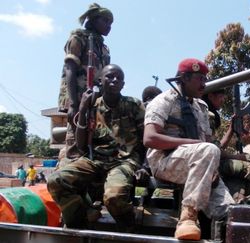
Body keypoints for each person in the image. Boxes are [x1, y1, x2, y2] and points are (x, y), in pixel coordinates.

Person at [143, 58, 234, 240]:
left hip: (199, 163)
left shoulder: (201, 107)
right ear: (184, 78)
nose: (204, 84)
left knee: (231, 213)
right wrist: (195, 145)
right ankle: (188, 218)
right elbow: (150, 138)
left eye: (204, 79)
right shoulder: (163, 101)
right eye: (199, 79)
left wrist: (212, 165)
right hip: (165, 162)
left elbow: (209, 144)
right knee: (208, 150)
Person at [48, 64, 145, 232]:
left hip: (123, 161)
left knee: (114, 197)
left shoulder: (133, 105)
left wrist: (145, 167)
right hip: (95, 159)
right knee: (56, 181)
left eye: (119, 78)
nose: (115, 80)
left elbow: (146, 139)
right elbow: (81, 145)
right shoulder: (92, 105)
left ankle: (129, 228)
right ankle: (83, 218)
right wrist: (83, 108)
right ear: (100, 81)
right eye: (110, 76)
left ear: (123, 84)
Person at [57, 3, 113, 159]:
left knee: (93, 143)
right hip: (79, 98)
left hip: (96, 102)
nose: (109, 26)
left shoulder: (103, 48)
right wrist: (74, 104)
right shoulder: (78, 38)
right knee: (75, 143)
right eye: (105, 21)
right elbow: (70, 69)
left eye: (111, 23)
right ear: (94, 20)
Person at [203, 89, 250, 204]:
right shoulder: (206, 115)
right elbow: (215, 151)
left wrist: (231, 129)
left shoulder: (206, 114)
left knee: (249, 158)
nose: (223, 100)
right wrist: (237, 157)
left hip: (214, 161)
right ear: (211, 96)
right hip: (211, 164)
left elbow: (218, 147)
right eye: (221, 96)